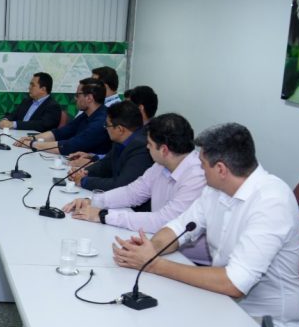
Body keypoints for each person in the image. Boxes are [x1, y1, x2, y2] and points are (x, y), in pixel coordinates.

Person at [112, 123, 299, 327]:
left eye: (202, 164)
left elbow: (234, 283)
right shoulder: (215, 190)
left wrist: (154, 264)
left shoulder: (272, 202)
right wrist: (151, 248)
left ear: (221, 169)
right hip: (222, 305)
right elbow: (179, 227)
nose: (199, 169)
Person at [62, 113, 209, 265]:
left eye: (149, 144)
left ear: (164, 150)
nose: (147, 147)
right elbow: (132, 193)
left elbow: (164, 221)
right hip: (158, 245)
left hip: (190, 262)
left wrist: (104, 215)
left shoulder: (198, 175)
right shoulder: (161, 165)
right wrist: (93, 201)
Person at [69, 100, 152, 191]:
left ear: (120, 129)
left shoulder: (141, 147)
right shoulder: (120, 141)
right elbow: (105, 165)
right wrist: (83, 172)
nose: (105, 128)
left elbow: (121, 185)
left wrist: (84, 181)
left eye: (107, 125)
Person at [16, 79, 110, 156]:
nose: (75, 98)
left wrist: (32, 144)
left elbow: (70, 146)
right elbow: (61, 133)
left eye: (77, 95)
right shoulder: (86, 115)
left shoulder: (102, 121)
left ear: (89, 98)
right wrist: (32, 138)